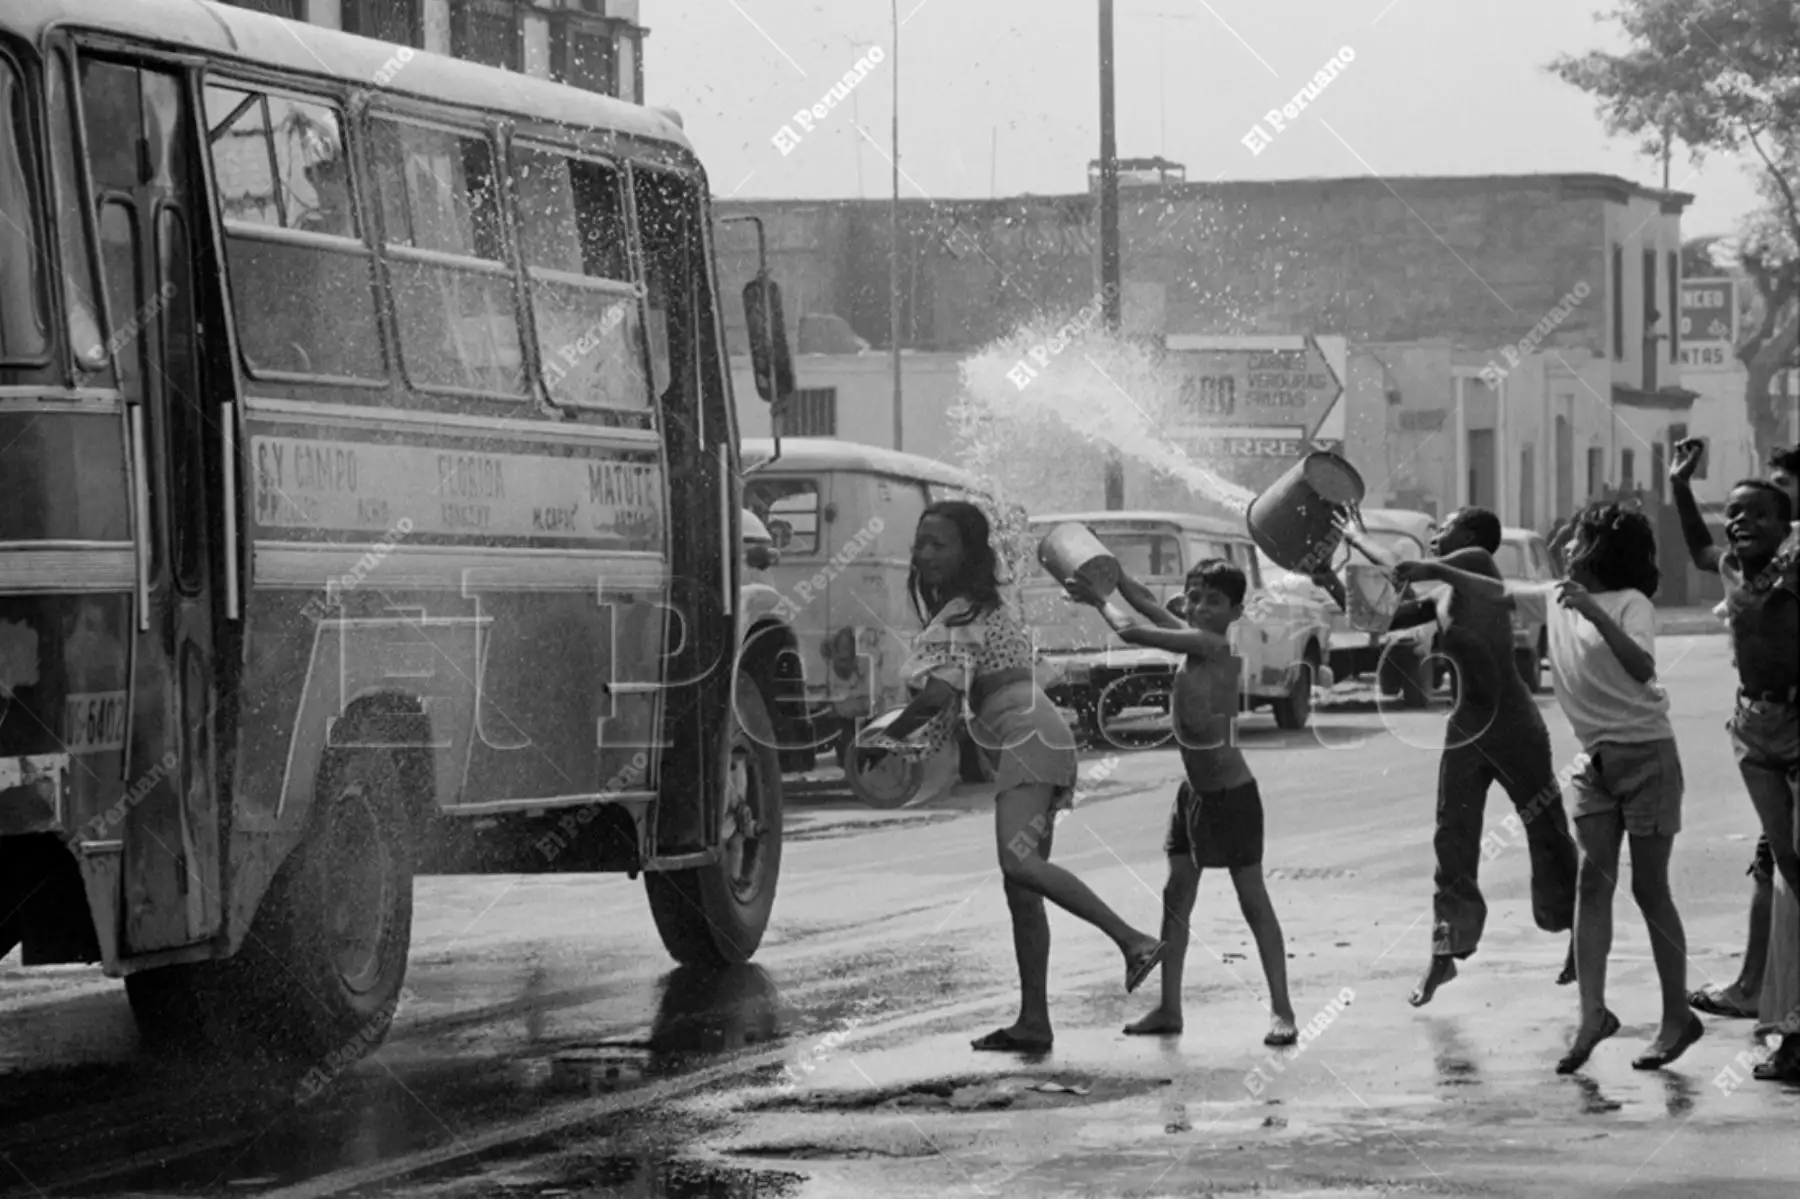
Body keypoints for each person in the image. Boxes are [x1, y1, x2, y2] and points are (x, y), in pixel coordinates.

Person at [864, 501, 1165, 1053]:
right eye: (921, 543)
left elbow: (935, 698)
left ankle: (1134, 941)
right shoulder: (981, 611)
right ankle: (1034, 1022)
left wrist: (878, 741)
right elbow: (956, 709)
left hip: (1030, 740)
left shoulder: (961, 615)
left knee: (1020, 864)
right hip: (1039, 736)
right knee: (1022, 890)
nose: (925, 554)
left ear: (969, 554)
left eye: (939, 544)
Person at [1345, 507, 1578, 1006]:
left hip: (1514, 725)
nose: (1436, 535)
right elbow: (1384, 616)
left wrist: (1361, 537)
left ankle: (1579, 931)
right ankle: (1444, 952)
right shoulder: (1444, 595)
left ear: (1470, 536)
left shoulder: (1479, 565)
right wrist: (1334, 571)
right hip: (1467, 727)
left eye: (1445, 527)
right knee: (1453, 837)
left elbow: (1416, 568)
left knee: (1546, 830)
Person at [1066, 559, 1299, 1047]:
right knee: (1176, 897)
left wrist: (1100, 599)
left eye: (1213, 601)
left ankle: (1283, 1011)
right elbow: (1148, 606)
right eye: (1194, 598)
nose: (1199, 607)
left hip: (1232, 796)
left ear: (1235, 611)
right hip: (1193, 793)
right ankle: (1169, 1009)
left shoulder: (1213, 646)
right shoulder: (1193, 638)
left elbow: (1133, 630)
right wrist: (1118, 578)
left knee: (1253, 902)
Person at [1529, 503, 1699, 1072]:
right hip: (1595, 763)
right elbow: (1489, 585)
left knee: (1650, 889)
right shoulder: (1556, 596)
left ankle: (1677, 1017)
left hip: (1648, 757)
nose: (1567, 543)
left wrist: (1594, 614)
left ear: (1601, 549)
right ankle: (1592, 1016)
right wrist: (1431, 571)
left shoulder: (1631, 604)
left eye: (1579, 536)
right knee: (1591, 883)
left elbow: (1643, 667)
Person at [1670, 443, 1800, 1083]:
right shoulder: (1729, 568)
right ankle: (1785, 1019)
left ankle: (1790, 1026)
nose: (1741, 521)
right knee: (1789, 875)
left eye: (1758, 513)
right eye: (1735, 512)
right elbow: (1699, 547)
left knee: (1793, 883)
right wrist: (1679, 486)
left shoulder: (1796, 565)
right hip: (1753, 733)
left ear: (1786, 526)